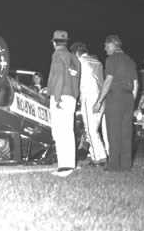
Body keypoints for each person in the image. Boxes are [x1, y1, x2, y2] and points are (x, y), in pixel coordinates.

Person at [93, 35, 138, 171]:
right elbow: (136, 84)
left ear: (113, 44)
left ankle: (113, 165)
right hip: (128, 98)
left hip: (115, 97)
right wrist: (132, 101)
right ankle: (125, 165)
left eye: (106, 45)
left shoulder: (111, 59)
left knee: (113, 132)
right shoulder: (130, 60)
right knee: (126, 133)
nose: (105, 48)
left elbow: (108, 80)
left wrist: (99, 101)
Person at [47, 30, 81, 177]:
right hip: (72, 96)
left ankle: (65, 167)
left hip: (60, 95)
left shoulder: (57, 55)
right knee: (67, 130)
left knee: (60, 131)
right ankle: (68, 164)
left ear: (54, 43)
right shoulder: (74, 58)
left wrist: (58, 97)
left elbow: (59, 75)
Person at [70, 42, 108, 166]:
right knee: (94, 129)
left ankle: (100, 157)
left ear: (76, 53)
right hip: (101, 98)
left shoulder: (80, 62)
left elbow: (76, 82)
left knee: (90, 130)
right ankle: (94, 155)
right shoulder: (97, 61)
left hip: (89, 97)